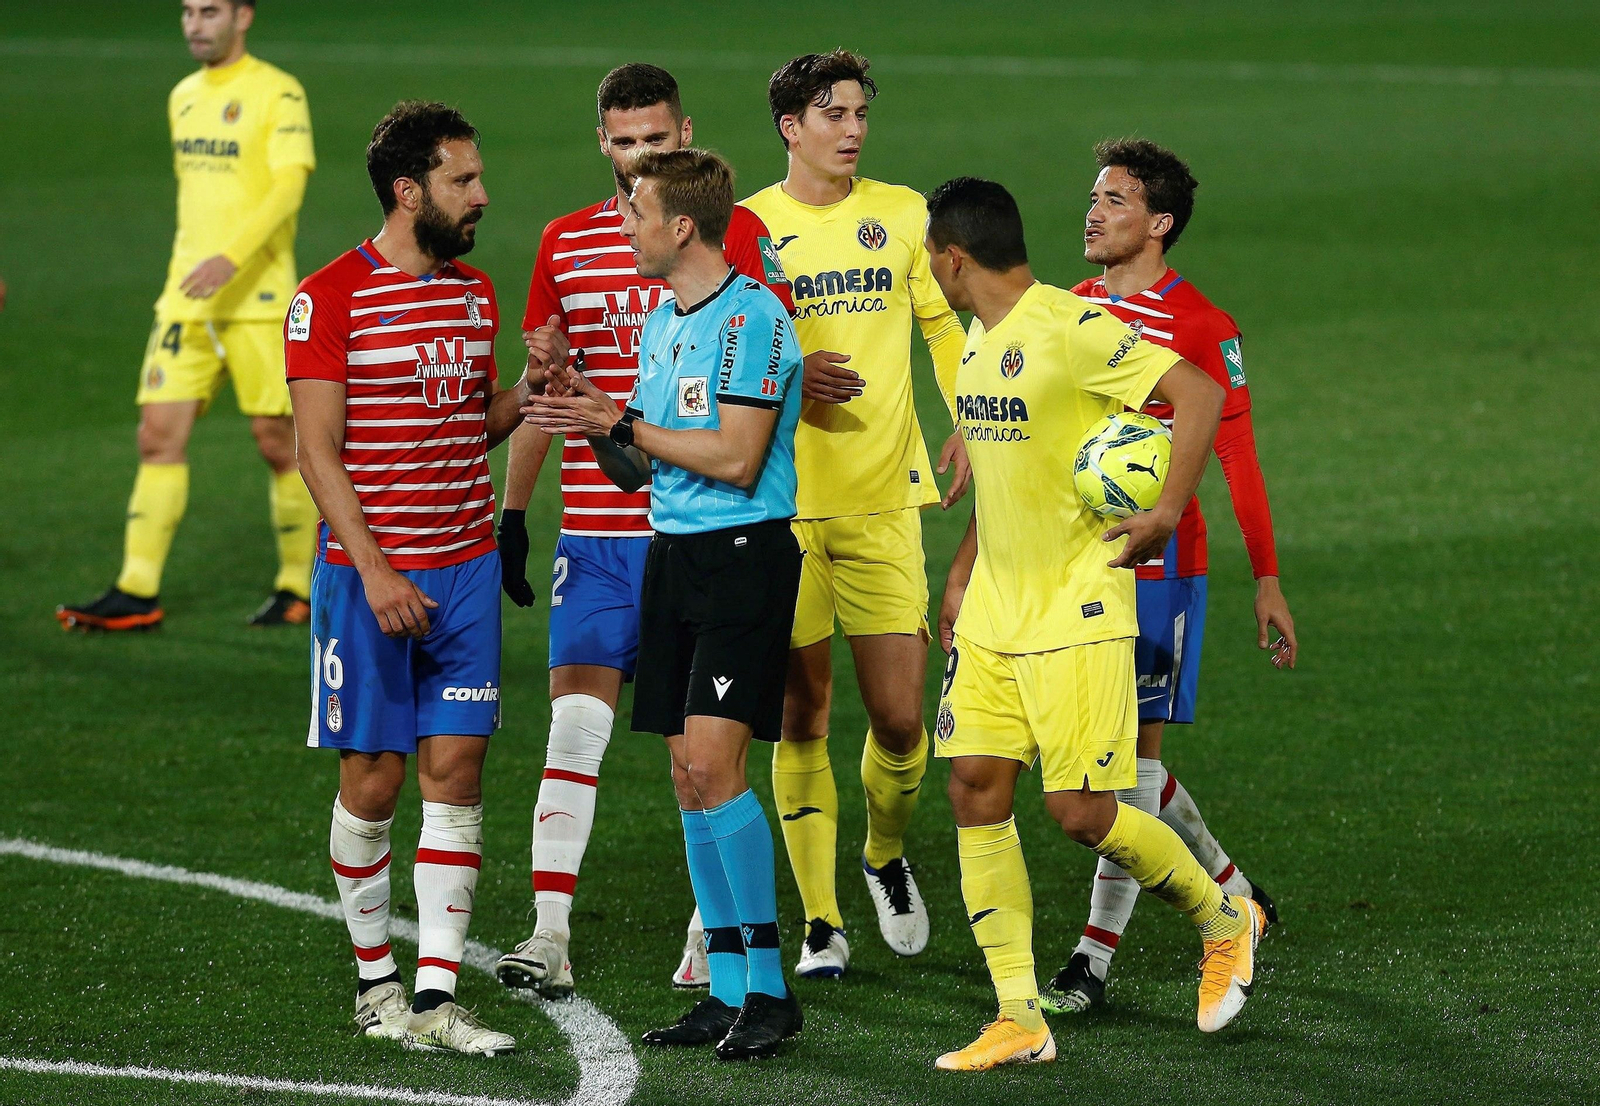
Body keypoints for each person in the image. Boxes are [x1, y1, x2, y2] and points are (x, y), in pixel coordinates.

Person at [924, 177, 1266, 1071]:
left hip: (1077, 606)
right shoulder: (972, 343)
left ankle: (1224, 917)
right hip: (998, 609)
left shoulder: (1072, 330)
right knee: (973, 789)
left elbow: (1196, 395)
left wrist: (1164, 513)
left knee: (1081, 812)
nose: (930, 268)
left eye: (932, 254)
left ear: (955, 256)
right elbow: (1005, 480)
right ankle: (1019, 1016)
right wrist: (961, 575)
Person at [494, 63, 793, 999]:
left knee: (715, 755)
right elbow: (572, 404)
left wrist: (620, 421)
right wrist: (518, 505)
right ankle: (550, 933)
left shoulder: (742, 263)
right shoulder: (606, 270)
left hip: (733, 535)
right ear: (602, 144)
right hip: (622, 532)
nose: (636, 167)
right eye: (623, 145)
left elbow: (745, 431)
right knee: (601, 736)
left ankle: (738, 958)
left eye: (654, 145)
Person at [288, 100, 540, 1057]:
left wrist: (532, 387)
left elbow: (471, 425)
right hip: (369, 581)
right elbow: (319, 455)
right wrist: (378, 569)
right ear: (409, 191)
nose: (481, 195)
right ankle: (374, 986)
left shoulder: (473, 297)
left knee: (459, 771)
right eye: (462, 180)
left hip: (467, 567)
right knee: (375, 780)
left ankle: (434, 998)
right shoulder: (331, 298)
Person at [1042, 139, 1299, 1014]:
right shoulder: (1071, 307)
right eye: (1093, 196)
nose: (1093, 211)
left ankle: (1092, 960)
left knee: (1123, 772)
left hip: (1162, 572)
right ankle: (1231, 886)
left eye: (1114, 200)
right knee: (1094, 762)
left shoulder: (1203, 326)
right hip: (1075, 567)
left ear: (1159, 225)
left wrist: (1267, 580)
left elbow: (1239, 456)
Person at [737, 49, 969, 979]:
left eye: (861, 113)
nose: (854, 128)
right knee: (801, 713)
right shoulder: (750, 226)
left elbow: (945, 327)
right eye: (834, 114)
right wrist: (792, 372)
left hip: (882, 502)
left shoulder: (903, 212)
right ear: (791, 127)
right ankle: (823, 920)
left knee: (902, 720)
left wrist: (969, 418)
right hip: (783, 506)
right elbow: (726, 345)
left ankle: (880, 853)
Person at [57, 0, 318, 631]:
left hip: (256, 303)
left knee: (278, 443)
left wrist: (231, 259)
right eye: (187, 12)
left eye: (209, 11)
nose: (194, 24)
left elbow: (288, 186)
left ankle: (298, 586)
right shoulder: (182, 96)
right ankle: (137, 589)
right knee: (157, 437)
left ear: (243, 17)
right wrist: (197, 269)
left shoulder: (278, 93)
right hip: (186, 299)